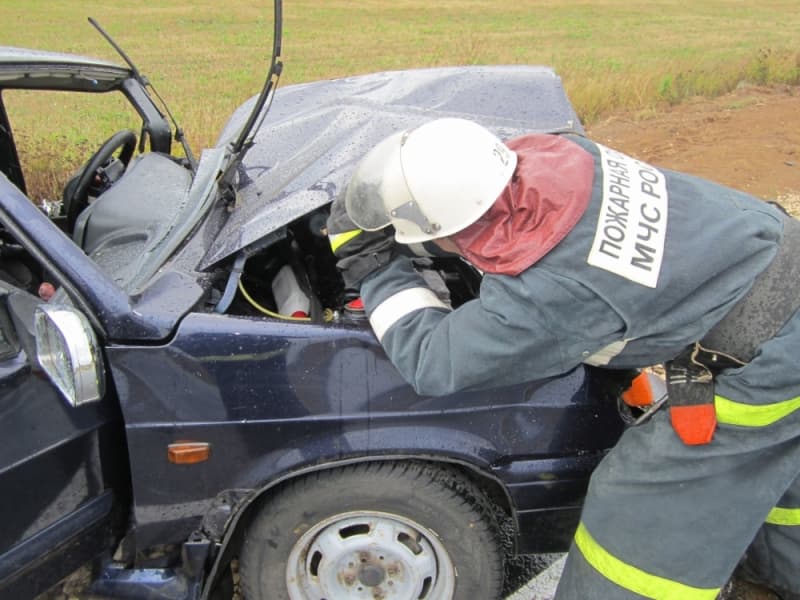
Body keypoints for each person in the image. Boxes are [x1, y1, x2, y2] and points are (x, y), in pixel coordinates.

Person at [326, 117, 800, 599]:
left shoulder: (550, 296)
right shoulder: (556, 153)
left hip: (772, 355)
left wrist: (376, 268)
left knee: (640, 509)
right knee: (780, 466)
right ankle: (782, 572)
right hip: (777, 259)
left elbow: (433, 360)